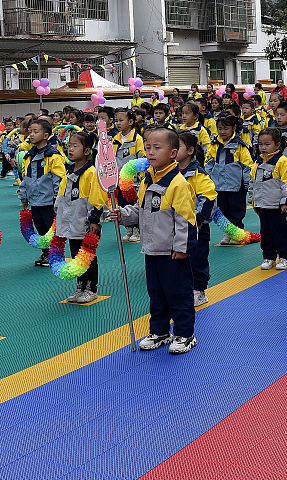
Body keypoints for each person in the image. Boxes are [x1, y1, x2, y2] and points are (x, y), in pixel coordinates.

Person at [114, 128, 198, 354]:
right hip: (152, 249)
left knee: (178, 293)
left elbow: (186, 220)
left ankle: (185, 334)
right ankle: (160, 331)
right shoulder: (147, 180)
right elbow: (142, 211)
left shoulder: (179, 184)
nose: (150, 152)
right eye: (148, 147)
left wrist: (182, 248)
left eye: (157, 148)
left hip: (172, 252)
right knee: (156, 293)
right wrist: (123, 215)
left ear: (173, 153)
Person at [53, 131, 107, 303]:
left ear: (86, 150)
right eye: (69, 145)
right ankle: (80, 286)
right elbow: (61, 198)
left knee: (88, 255)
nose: (70, 149)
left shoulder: (91, 173)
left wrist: (95, 220)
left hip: (85, 223)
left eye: (75, 146)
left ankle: (91, 288)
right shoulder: (69, 173)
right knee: (76, 254)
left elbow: (98, 199)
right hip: (71, 224)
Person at [19, 119, 66, 267]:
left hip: (49, 201)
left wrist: (58, 200)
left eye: (35, 131)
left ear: (46, 135)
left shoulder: (53, 156)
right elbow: (25, 179)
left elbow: (58, 180)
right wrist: (24, 196)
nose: (31, 134)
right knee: (40, 228)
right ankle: (46, 252)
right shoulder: (28, 156)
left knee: (50, 228)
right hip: (34, 201)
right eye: (30, 131)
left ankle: (55, 253)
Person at [250, 127, 287, 271]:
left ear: (277, 145)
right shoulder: (258, 162)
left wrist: (285, 202)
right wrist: (253, 199)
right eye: (260, 144)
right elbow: (253, 182)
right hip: (263, 205)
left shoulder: (282, 161)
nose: (263, 147)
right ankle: (268, 256)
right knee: (266, 233)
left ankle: (285, 257)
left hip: (277, 206)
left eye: (267, 144)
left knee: (281, 232)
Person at [177, 132, 216, 307]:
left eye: (178, 146)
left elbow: (208, 198)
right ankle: (183, 289)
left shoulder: (198, 174)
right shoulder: (170, 172)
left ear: (190, 150)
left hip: (196, 226)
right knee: (179, 259)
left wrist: (198, 220)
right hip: (176, 226)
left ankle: (199, 291)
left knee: (197, 259)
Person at [206, 113, 253, 243]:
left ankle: (238, 233)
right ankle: (228, 233)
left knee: (237, 210)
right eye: (220, 128)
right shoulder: (214, 145)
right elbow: (208, 163)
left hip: (236, 186)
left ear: (234, 127)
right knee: (223, 210)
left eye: (226, 128)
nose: (222, 131)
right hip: (219, 185)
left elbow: (247, 166)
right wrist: (208, 180)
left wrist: (247, 183)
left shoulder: (240, 146)